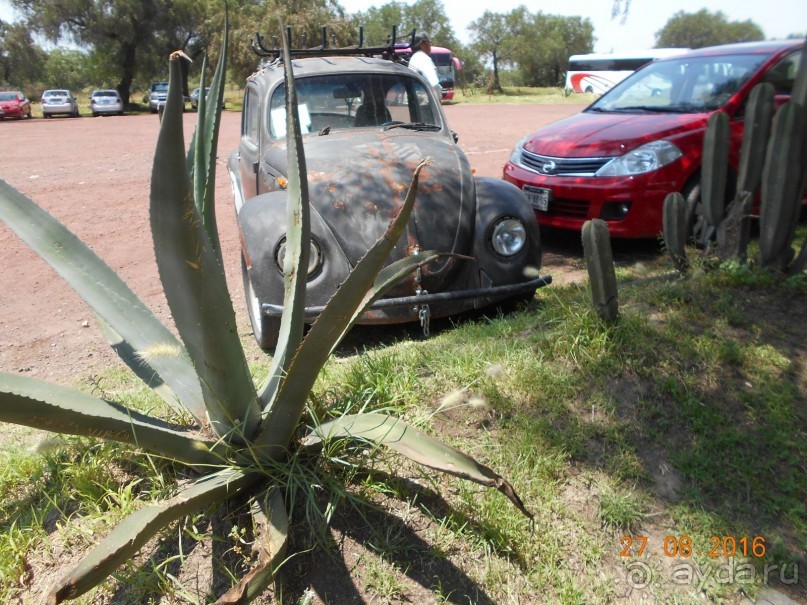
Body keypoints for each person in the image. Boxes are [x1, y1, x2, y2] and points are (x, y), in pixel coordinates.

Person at [407, 31, 442, 99]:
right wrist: (438, 101)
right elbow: (434, 84)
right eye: (428, 42)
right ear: (422, 44)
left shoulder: (413, 59)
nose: (430, 45)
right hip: (426, 103)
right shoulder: (423, 59)